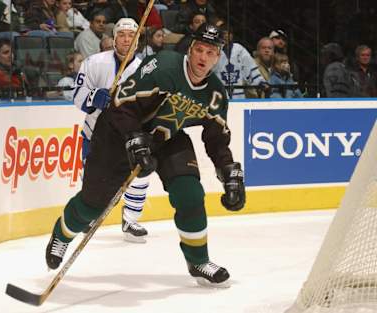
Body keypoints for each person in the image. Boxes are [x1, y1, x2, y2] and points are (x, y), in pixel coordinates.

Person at [45, 23, 246, 286]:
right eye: (199, 50)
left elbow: (217, 141)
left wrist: (229, 172)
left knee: (190, 193)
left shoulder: (216, 95)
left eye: (210, 53)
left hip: (165, 136)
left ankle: (198, 260)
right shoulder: (162, 66)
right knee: (93, 204)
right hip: (117, 132)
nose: (203, 58)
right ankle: (62, 234)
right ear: (190, 50)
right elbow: (120, 105)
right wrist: (135, 141)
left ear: (217, 57)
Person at [72, 17, 149, 242]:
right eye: (122, 35)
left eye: (131, 36)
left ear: (137, 41)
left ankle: (131, 220)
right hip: (95, 133)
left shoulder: (145, 69)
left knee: (139, 177)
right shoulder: (94, 63)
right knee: (92, 178)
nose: (126, 39)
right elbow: (77, 96)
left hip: (129, 136)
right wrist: (94, 96)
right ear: (114, 39)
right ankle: (86, 217)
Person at [213, 29, 267, 99]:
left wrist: (260, 82)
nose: (226, 36)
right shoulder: (214, 49)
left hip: (238, 97)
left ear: (232, 35)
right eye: (224, 33)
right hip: (219, 96)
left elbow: (249, 66)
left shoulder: (239, 49)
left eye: (228, 33)